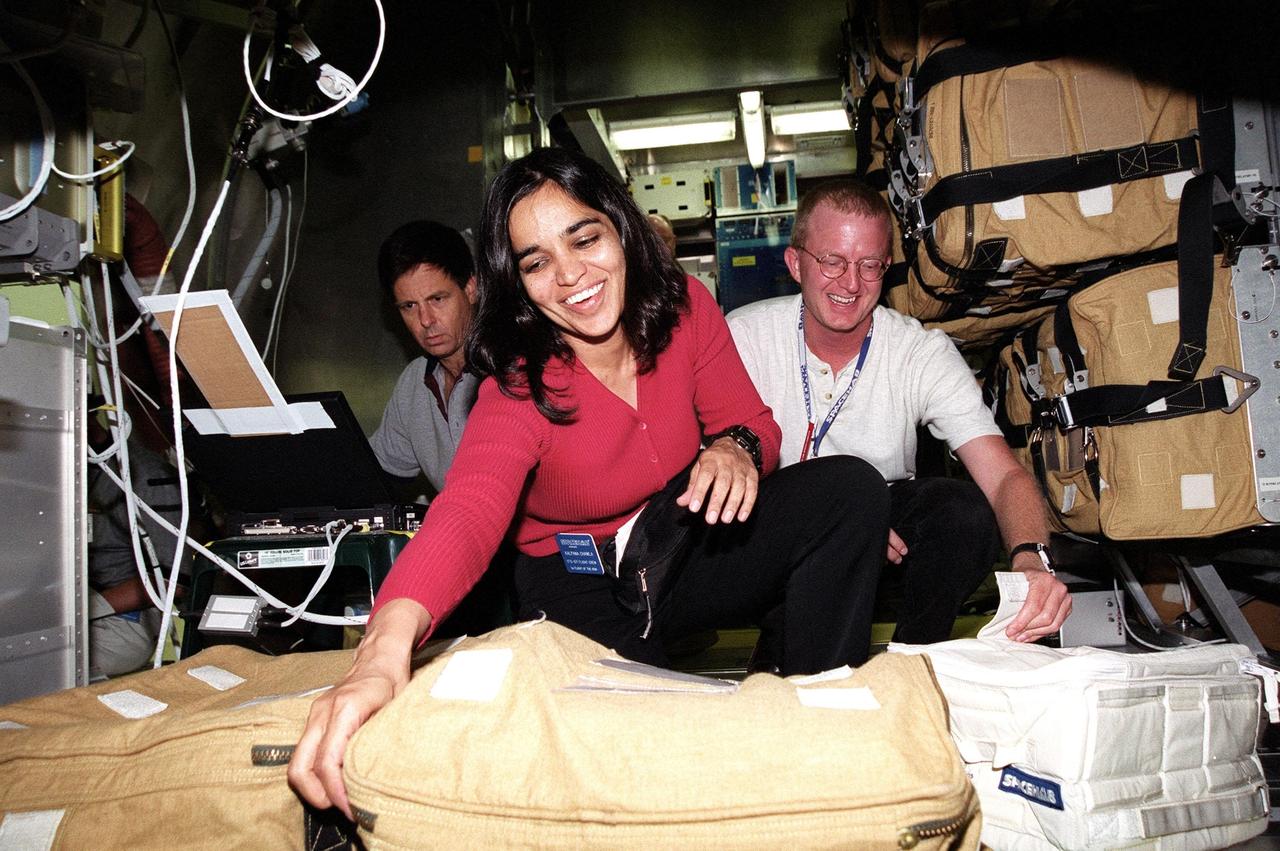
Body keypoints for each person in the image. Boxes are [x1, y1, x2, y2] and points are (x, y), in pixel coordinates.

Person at [290, 148, 890, 817]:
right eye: (537, 261)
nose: (571, 274)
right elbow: (467, 509)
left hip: (676, 539)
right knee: (656, 763)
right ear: (515, 281)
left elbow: (752, 421)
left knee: (850, 493)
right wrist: (381, 650)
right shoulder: (519, 386)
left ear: (620, 229)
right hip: (575, 581)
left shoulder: (686, 308)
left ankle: (811, 745)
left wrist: (736, 446)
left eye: (585, 238)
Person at [726, 179, 1071, 646]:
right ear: (795, 263)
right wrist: (846, 524)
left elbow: (1004, 476)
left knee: (962, 511)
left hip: (887, 541)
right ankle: (784, 658)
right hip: (766, 528)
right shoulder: (743, 338)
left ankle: (914, 658)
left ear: (886, 268)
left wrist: (1033, 560)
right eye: (832, 261)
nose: (851, 283)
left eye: (870, 265)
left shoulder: (919, 352)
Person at [368, 221, 479, 495]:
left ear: (470, 289)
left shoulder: (516, 370)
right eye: (409, 306)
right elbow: (374, 480)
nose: (426, 320)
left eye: (437, 299)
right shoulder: (414, 383)